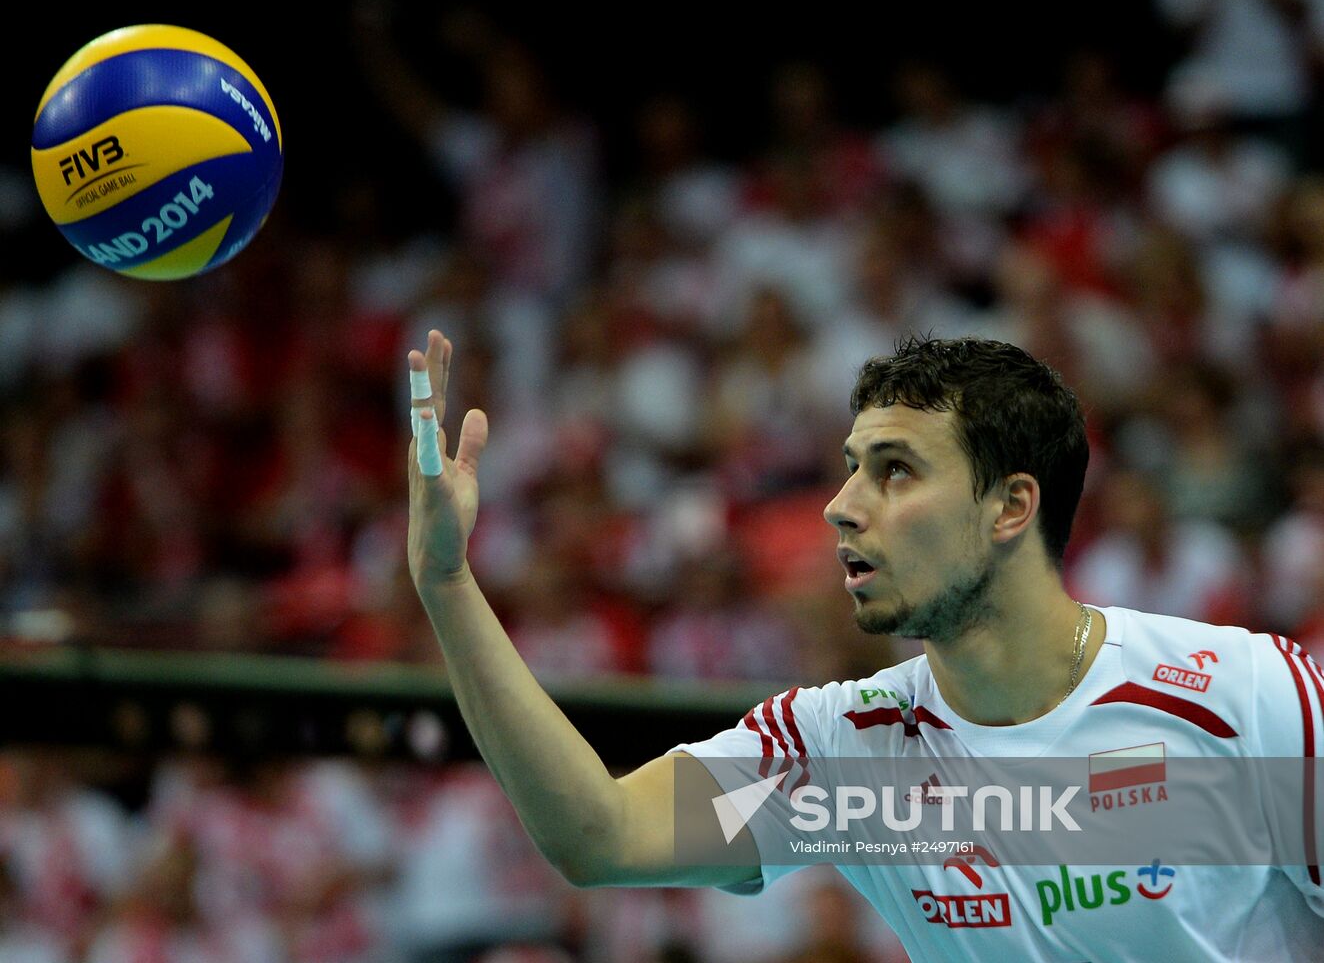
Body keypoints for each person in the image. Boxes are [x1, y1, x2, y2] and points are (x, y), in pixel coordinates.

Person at [405, 331, 1324, 960]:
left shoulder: (1246, 698)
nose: (842, 506)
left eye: (895, 471)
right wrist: (449, 586)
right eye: (851, 468)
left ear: (1011, 505)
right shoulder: (847, 760)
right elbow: (598, 834)